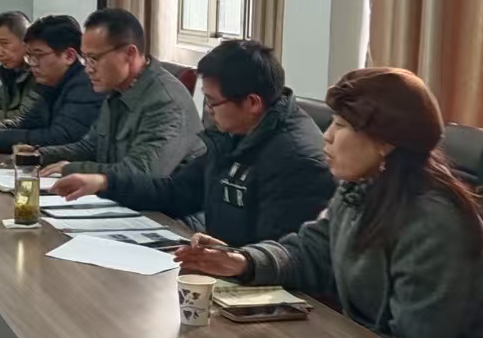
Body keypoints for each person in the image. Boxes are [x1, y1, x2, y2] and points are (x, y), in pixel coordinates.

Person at [174, 67, 483, 338]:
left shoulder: (434, 223)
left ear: (386, 142)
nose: (326, 136)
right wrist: (242, 261)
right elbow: (311, 250)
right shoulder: (362, 187)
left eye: (341, 126)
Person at [53, 39, 334, 244]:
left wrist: (226, 260)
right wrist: (104, 182)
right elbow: (178, 191)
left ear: (252, 102)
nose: (208, 112)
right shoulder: (237, 132)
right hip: (218, 267)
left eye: (212, 102)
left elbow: (278, 257)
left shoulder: (297, 160)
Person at [41, 7, 204, 180]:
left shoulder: (166, 102)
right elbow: (91, 147)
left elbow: (141, 173)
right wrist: (38, 155)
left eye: (94, 59)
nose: (88, 69)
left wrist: (71, 169)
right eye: (85, 59)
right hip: (119, 193)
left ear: (129, 54)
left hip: (162, 198)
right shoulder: (117, 89)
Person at [0, 14, 103, 153]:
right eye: (29, 56)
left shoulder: (86, 85)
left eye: (38, 55)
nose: (32, 63)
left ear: (69, 56)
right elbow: (28, 122)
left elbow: (62, 137)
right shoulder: (49, 82)